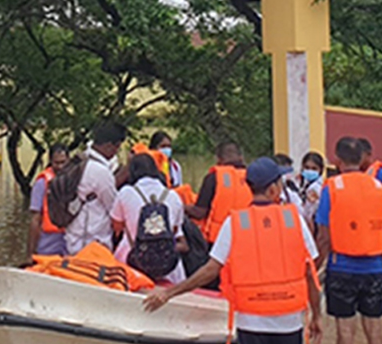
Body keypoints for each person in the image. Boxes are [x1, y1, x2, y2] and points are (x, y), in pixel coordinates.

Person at [144, 157, 323, 344]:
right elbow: (310, 273)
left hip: (251, 322)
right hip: (289, 323)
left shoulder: (235, 223)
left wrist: (169, 293)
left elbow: (210, 270)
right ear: (273, 189)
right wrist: (316, 315)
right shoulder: (294, 220)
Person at [315, 137, 382, 344]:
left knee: (345, 333)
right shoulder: (379, 188)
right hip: (373, 270)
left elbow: (324, 238)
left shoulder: (332, 188)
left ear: (337, 160)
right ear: (362, 158)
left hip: (342, 269)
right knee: (375, 331)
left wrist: (313, 270)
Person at [111, 154, 188, 284]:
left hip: (131, 260)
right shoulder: (174, 196)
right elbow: (175, 230)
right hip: (167, 265)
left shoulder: (126, 193)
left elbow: (116, 226)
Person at [65, 122, 126, 255]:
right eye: (117, 148)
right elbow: (113, 206)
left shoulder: (80, 159)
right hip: (92, 242)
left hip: (73, 237)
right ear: (109, 146)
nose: (116, 152)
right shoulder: (100, 171)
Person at [186, 142, 252, 245]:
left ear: (218, 159)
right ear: (241, 157)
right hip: (246, 235)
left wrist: (183, 207)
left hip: (219, 240)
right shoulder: (252, 177)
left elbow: (199, 212)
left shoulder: (213, 178)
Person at [27, 144, 70, 257]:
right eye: (57, 163)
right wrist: (31, 253)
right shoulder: (42, 183)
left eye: (63, 162)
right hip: (48, 241)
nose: (60, 167)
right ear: (50, 161)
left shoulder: (74, 180)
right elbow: (36, 218)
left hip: (70, 239)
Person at [298, 151, 325, 226]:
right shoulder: (305, 185)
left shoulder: (315, 188)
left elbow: (309, 213)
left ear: (320, 170)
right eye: (307, 167)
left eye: (314, 168)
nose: (310, 171)